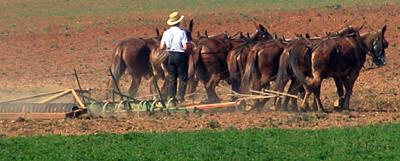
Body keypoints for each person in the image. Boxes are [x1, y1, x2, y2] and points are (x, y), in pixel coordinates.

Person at [160, 11, 190, 106]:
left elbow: (161, 47)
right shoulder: (182, 32)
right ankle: (180, 98)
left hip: (170, 56)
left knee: (172, 78)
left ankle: (171, 99)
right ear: (178, 22)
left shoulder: (166, 33)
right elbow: (185, 47)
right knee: (183, 78)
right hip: (180, 55)